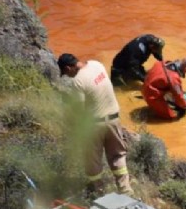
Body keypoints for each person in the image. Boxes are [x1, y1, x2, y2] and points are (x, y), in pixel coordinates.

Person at [57, 53, 133, 195]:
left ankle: (99, 192)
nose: (68, 77)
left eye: (66, 74)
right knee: (117, 155)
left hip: (95, 125)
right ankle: (125, 189)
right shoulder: (97, 64)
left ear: (68, 68)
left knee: (92, 159)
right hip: (114, 120)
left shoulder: (78, 82)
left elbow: (79, 111)